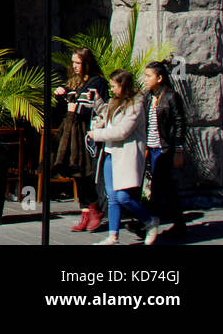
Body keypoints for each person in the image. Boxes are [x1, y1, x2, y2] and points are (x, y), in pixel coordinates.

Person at [88, 69, 163, 245]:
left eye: (114, 86)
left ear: (123, 85)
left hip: (126, 155)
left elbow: (122, 131)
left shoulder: (136, 103)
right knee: (112, 197)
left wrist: (97, 134)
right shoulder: (114, 101)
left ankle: (150, 221)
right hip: (111, 153)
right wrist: (98, 102)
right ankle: (113, 235)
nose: (112, 89)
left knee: (123, 197)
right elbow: (108, 116)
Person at [52, 47, 108, 232]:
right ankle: (85, 212)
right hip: (71, 131)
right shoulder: (75, 81)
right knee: (75, 171)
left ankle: (94, 210)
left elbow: (98, 107)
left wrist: (76, 107)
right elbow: (65, 107)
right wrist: (61, 95)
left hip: (87, 132)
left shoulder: (98, 82)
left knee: (86, 172)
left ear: (87, 63)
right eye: (73, 63)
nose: (75, 66)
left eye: (78, 63)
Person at [141, 60, 188, 238]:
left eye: (148, 76)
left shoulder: (171, 96)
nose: (145, 79)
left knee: (158, 187)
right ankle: (180, 224)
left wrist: (178, 149)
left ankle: (147, 223)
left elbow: (179, 123)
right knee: (167, 188)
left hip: (164, 149)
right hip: (150, 148)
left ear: (159, 78)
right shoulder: (147, 97)